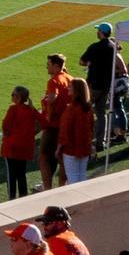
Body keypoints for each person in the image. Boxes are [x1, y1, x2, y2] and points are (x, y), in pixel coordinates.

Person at [79, 22, 124, 146]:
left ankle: (83, 138)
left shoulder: (95, 47)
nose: (97, 32)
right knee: (101, 113)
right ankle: (101, 141)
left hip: (94, 85)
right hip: (106, 85)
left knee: (84, 111)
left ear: (101, 32)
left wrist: (91, 64)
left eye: (98, 30)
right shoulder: (112, 46)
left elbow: (82, 61)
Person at [0, 84, 42, 200]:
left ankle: (11, 199)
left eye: (13, 94)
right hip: (25, 148)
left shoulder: (13, 109)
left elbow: (5, 125)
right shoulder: (31, 111)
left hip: (11, 148)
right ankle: (24, 198)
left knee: (11, 174)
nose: (11, 96)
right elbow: (44, 122)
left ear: (18, 97)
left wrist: (7, 135)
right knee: (21, 174)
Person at [37, 54, 73, 191]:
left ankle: (47, 188)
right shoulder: (71, 78)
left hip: (53, 124)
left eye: (49, 64)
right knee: (62, 157)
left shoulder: (53, 81)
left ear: (56, 66)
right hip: (67, 124)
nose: (47, 66)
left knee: (44, 156)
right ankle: (61, 186)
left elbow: (52, 98)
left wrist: (45, 101)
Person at [57, 78, 96, 185]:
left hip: (71, 148)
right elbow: (91, 127)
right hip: (84, 147)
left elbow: (65, 130)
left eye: (70, 86)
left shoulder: (72, 109)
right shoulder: (88, 108)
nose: (68, 88)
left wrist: (59, 147)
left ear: (77, 90)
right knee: (82, 175)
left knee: (72, 177)